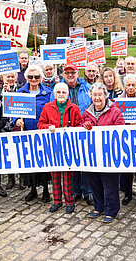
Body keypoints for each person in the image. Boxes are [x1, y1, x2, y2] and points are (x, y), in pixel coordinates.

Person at [82, 83, 125, 223]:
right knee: (94, 182)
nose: (97, 98)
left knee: (110, 184)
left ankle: (111, 210)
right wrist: (84, 126)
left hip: (109, 154)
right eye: (94, 95)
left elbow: (120, 131)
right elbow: (81, 128)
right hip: (92, 155)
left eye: (100, 95)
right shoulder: (87, 112)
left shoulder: (115, 112)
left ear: (105, 96)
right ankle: (98, 207)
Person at [38, 82, 82, 214]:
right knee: (55, 174)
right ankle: (57, 200)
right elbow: (40, 124)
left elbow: (79, 125)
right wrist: (48, 127)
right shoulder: (47, 107)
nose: (61, 94)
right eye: (58, 92)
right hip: (53, 145)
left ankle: (70, 201)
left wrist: (71, 130)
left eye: (64, 92)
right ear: (54, 94)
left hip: (68, 145)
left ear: (68, 94)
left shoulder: (74, 108)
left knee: (68, 174)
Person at [53, 63, 93, 204]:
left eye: (73, 72)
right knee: (73, 161)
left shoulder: (87, 88)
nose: (70, 75)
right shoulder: (59, 89)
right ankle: (76, 190)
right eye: (67, 72)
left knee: (86, 161)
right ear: (64, 74)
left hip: (84, 128)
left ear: (78, 73)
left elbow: (92, 106)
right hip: (66, 131)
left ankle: (88, 191)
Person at [15, 65, 52, 202]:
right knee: (30, 163)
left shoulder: (48, 93)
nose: (34, 79)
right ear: (26, 78)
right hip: (27, 132)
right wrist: (17, 120)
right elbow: (14, 111)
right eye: (31, 77)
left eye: (36, 76)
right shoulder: (20, 93)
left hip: (43, 132)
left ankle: (46, 190)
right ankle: (33, 189)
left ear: (41, 78)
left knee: (44, 162)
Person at [119, 74, 136, 208]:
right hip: (124, 139)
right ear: (124, 86)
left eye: (133, 85)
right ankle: (128, 194)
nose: (130, 87)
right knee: (127, 169)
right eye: (128, 85)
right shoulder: (118, 101)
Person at [0, 72, 23, 188]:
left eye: (12, 77)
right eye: (8, 77)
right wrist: (3, 93)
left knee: (20, 152)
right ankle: (11, 178)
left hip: (17, 124)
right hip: (4, 126)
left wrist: (11, 93)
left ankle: (22, 177)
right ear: (2, 78)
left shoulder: (21, 88)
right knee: (8, 153)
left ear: (16, 78)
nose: (10, 79)